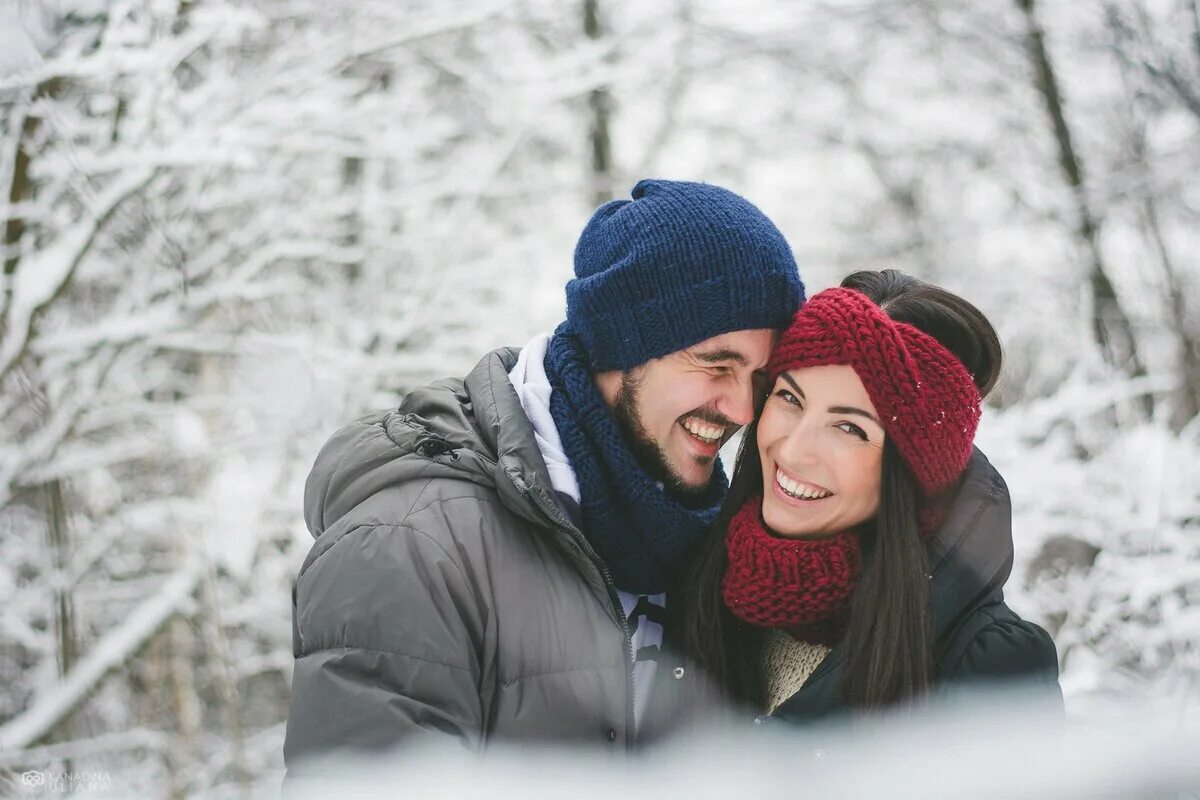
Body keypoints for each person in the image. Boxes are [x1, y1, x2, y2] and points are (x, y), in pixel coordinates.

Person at [282, 179, 805, 772]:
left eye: (761, 379)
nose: (741, 409)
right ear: (620, 346)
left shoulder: (715, 542)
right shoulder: (412, 548)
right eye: (716, 364)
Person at [682, 269, 1061, 723]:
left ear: (914, 472)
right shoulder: (695, 584)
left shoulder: (990, 669)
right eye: (790, 399)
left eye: (849, 427)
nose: (794, 449)